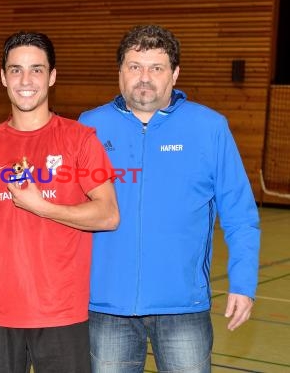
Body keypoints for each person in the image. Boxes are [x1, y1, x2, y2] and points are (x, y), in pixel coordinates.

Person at [79, 24, 260, 373]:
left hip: (183, 307)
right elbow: (70, 212)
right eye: (134, 67)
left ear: (174, 74)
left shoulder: (210, 128)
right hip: (106, 306)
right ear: (120, 73)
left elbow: (239, 214)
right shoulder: (90, 126)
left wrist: (243, 283)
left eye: (156, 68)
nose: (143, 77)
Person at [0, 31, 120, 373]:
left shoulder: (80, 139)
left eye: (37, 70)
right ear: (3, 77)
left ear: (52, 76)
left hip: (62, 314)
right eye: (16, 70)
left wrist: (40, 206)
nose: (26, 80)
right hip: (0, 312)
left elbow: (108, 214)